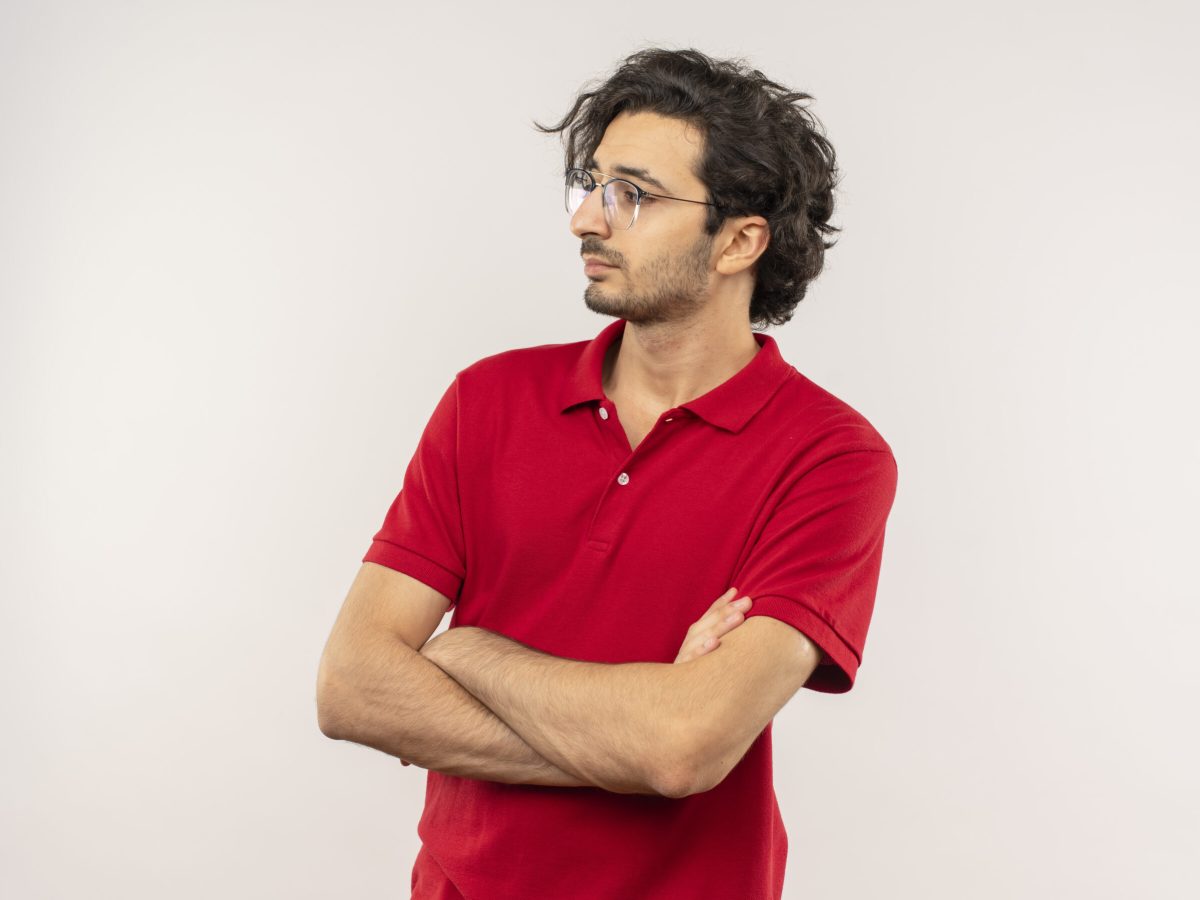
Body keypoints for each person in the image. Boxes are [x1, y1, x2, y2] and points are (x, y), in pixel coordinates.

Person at [317, 47, 898, 900]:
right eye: (592, 184)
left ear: (739, 240)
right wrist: (633, 730)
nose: (587, 219)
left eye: (634, 193)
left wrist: (470, 654)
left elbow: (683, 748)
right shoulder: (489, 400)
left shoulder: (832, 459)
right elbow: (351, 687)